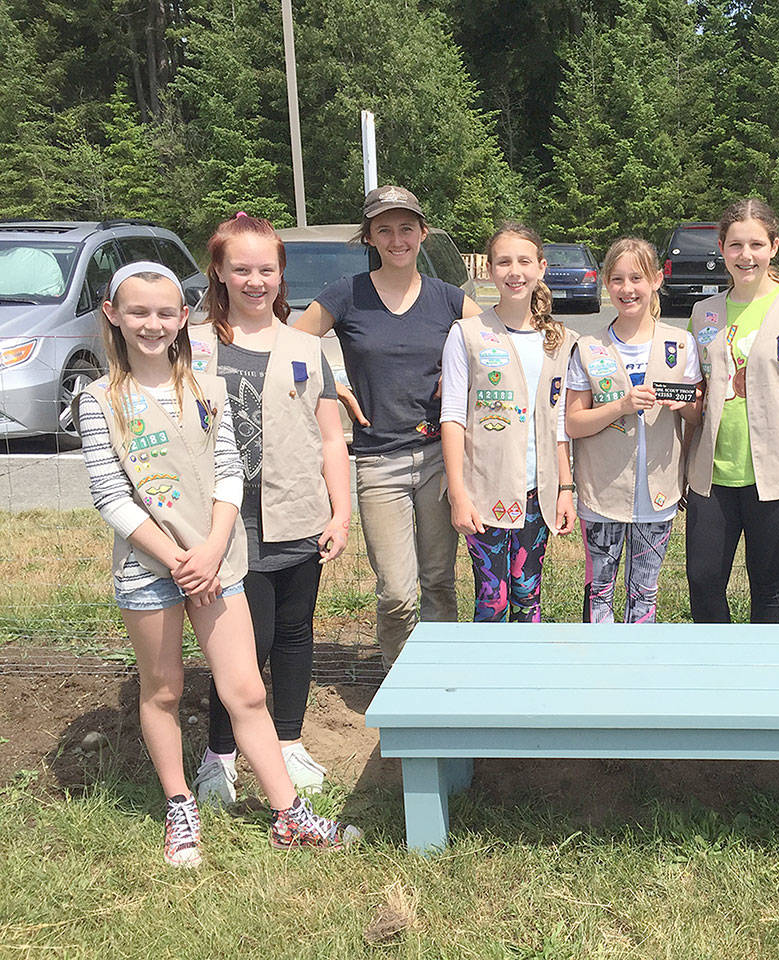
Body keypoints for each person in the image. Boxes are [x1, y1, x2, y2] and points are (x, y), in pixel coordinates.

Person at [74, 262, 360, 868]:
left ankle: (289, 815)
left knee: (246, 692)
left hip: (218, 565)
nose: (151, 325)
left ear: (184, 318)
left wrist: (211, 550)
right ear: (113, 317)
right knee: (165, 690)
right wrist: (176, 557)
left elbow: (230, 472)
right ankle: (181, 806)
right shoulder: (100, 400)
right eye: (137, 313)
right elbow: (111, 495)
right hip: (152, 572)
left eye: (163, 313)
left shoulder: (206, 388)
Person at [187, 213, 349, 805]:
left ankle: (286, 741)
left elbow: (331, 437)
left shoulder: (306, 347)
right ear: (221, 275)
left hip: (296, 516)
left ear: (282, 276)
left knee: (292, 632)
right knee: (239, 647)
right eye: (242, 270)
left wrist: (340, 512)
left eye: (266, 270)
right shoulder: (194, 346)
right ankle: (221, 754)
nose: (255, 281)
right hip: (222, 527)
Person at [295, 185, 481, 666]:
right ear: (370, 238)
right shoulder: (347, 294)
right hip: (378, 462)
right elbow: (290, 343)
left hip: (441, 457)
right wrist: (331, 383)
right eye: (384, 230)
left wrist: (459, 378)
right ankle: (399, 679)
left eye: (405, 228)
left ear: (422, 233)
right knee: (397, 592)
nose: (396, 239)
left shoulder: (448, 298)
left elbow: (495, 345)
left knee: (439, 580)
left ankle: (437, 682)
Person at [685, 198, 779, 622]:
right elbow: (697, 390)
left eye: (756, 244)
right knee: (702, 578)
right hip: (711, 475)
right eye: (735, 245)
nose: (745, 255)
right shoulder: (703, 313)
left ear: (774, 246)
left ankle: (762, 676)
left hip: (776, 477)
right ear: (721, 248)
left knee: (768, 584)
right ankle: (719, 671)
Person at [440, 223, 576, 622]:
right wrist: (458, 494)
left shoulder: (559, 339)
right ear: (489, 270)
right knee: (492, 599)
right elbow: (452, 417)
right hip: (484, 492)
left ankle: (525, 677)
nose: (514, 271)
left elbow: (561, 421)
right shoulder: (467, 334)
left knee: (527, 595)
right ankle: (489, 679)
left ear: (541, 267)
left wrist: (565, 488)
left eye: (523, 261)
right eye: (503, 262)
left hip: (538, 491)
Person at [566, 238, 702, 623]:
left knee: (645, 590)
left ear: (657, 280)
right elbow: (574, 423)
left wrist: (687, 404)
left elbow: (696, 417)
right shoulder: (588, 347)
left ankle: (636, 668)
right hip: (601, 492)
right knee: (601, 589)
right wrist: (620, 407)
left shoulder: (681, 343)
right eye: (618, 280)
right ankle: (601, 668)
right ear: (606, 285)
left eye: (637, 278)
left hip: (657, 494)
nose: (628, 289)